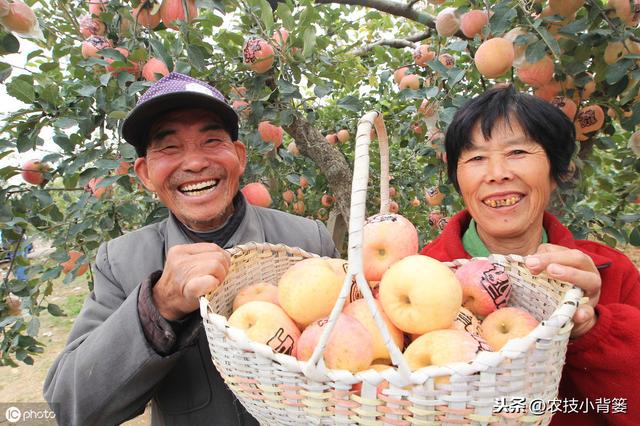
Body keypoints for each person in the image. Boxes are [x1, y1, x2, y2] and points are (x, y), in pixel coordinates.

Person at [43, 72, 338, 425]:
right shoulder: (120, 262)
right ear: (145, 173)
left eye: (212, 140)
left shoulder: (308, 241)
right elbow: (71, 405)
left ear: (239, 156)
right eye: (168, 147)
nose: (195, 162)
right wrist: (159, 305)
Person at [421, 85, 640, 425]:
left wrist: (591, 329)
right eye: (477, 158)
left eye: (518, 152)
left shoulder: (611, 274)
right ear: (457, 178)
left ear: (557, 170)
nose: (497, 173)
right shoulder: (419, 279)